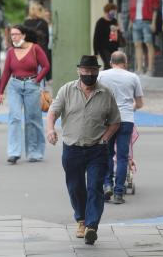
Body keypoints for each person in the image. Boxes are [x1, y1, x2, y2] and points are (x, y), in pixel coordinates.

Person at [46, 55, 120, 245]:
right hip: (72, 148)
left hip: (97, 149)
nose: (89, 74)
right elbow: (53, 111)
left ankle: (91, 226)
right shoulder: (67, 90)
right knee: (76, 187)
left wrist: (105, 138)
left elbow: (115, 121)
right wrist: (50, 129)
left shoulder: (106, 93)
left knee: (95, 186)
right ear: (79, 71)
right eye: (85, 71)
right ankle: (81, 219)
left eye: (93, 71)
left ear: (98, 72)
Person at [0, 25, 50, 164]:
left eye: (16, 34)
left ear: (24, 35)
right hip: (14, 86)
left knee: (32, 119)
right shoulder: (10, 51)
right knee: (14, 117)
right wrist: (1, 91)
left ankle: (35, 152)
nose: (13, 37)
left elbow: (46, 66)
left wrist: (37, 80)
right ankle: (14, 152)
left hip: (31, 86)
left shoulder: (35, 48)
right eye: (12, 35)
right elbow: (7, 72)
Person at [98, 51, 144, 204]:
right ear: (125, 63)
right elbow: (139, 103)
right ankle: (119, 193)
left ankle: (107, 185)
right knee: (122, 157)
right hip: (126, 119)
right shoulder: (133, 77)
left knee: (107, 153)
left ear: (111, 62)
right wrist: (131, 108)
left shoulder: (102, 75)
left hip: (107, 119)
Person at [129, 0, 160, 75]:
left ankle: (150, 69)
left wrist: (153, 22)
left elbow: (155, 7)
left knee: (149, 44)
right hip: (135, 21)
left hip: (147, 21)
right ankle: (139, 69)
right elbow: (131, 6)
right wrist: (131, 20)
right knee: (137, 45)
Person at [93, 3, 120, 70]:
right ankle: (105, 79)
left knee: (113, 66)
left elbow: (117, 34)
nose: (113, 14)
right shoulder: (100, 22)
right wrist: (96, 52)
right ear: (106, 12)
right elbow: (96, 37)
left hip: (114, 47)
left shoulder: (114, 21)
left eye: (114, 12)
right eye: (112, 12)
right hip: (103, 48)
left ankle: (107, 79)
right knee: (108, 64)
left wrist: (118, 29)